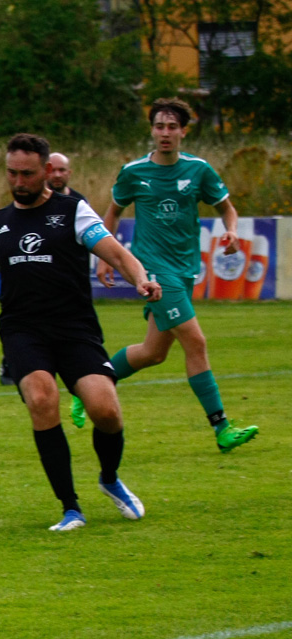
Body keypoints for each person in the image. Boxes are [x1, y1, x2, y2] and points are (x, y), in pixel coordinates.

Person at [0, 133, 162, 531]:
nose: (18, 182)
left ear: (46, 172)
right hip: (23, 331)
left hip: (75, 329)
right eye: (12, 173)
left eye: (27, 174)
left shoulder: (74, 212)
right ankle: (70, 508)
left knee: (105, 410)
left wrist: (141, 279)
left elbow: (117, 254)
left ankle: (109, 478)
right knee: (42, 398)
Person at [72, 97, 259, 453]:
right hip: (154, 271)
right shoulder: (134, 172)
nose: (165, 133)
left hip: (185, 269)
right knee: (196, 343)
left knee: (153, 352)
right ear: (152, 131)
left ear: (184, 132)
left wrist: (232, 231)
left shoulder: (199, 170)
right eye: (159, 126)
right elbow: (110, 214)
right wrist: (105, 257)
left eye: (172, 127)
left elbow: (227, 208)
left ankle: (90, 384)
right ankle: (221, 427)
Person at [0, 152, 86, 386]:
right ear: (47, 171)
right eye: (54, 170)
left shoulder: (78, 206)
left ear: (69, 173)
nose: (58, 175)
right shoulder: (14, 211)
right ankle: (11, 361)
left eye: (62, 170)